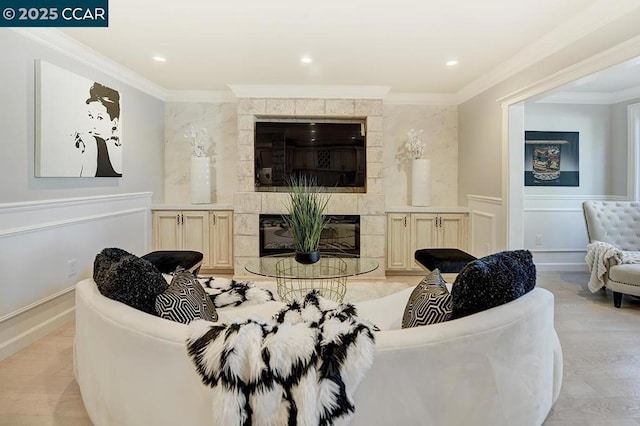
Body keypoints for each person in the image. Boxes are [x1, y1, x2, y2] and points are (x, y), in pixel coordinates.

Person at [75, 82, 122, 177]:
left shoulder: (93, 143)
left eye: (100, 118)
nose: (93, 125)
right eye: (90, 117)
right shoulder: (89, 142)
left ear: (114, 123)